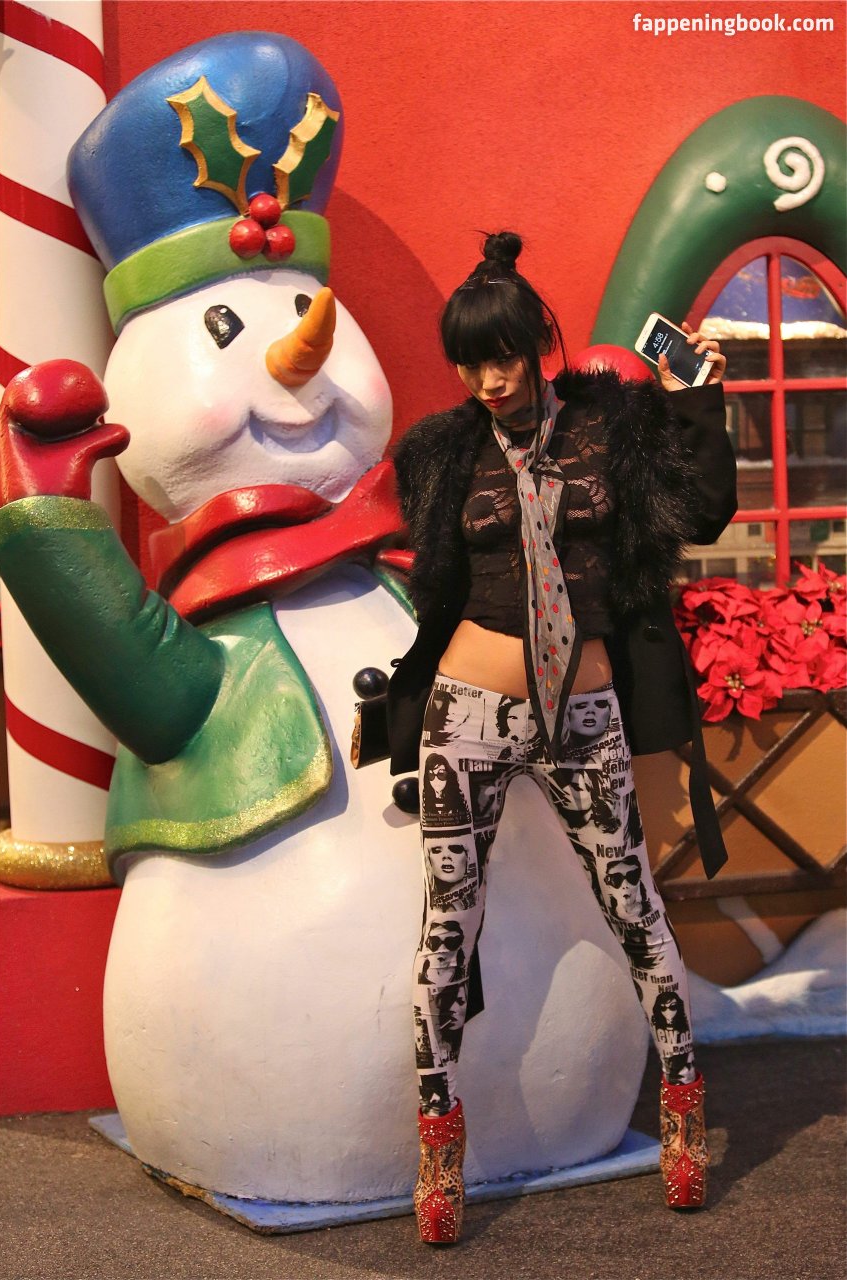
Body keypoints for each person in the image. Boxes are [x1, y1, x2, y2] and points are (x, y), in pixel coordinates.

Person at [387, 231, 736, 1242]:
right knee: (447, 927)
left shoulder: (608, 428)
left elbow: (705, 512)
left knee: (635, 908)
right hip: (467, 710)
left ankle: (683, 1110)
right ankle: (438, 1145)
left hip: (583, 714)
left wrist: (695, 400)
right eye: (470, 363)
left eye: (503, 356)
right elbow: (429, 572)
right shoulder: (443, 451)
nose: (489, 380)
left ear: (536, 343)